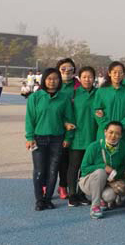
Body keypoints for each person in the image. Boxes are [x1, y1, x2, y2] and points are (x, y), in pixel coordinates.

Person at [25, 68, 75, 210]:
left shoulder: (64, 98)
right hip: (38, 139)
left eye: (55, 79)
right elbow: (30, 119)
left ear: (59, 81)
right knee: (39, 170)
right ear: (44, 80)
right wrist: (29, 137)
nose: (52, 81)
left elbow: (69, 119)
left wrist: (68, 138)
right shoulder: (35, 97)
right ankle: (39, 199)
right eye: (49, 79)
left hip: (57, 139)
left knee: (53, 171)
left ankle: (48, 199)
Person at [79, 121, 125, 219]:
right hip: (88, 181)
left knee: (110, 196)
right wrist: (103, 166)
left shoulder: (124, 147)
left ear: (121, 135)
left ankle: (103, 200)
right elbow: (84, 168)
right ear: (105, 132)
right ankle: (95, 206)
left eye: (117, 133)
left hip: (108, 182)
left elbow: (123, 167)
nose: (113, 136)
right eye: (111, 132)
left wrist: (115, 175)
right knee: (100, 172)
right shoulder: (94, 147)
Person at [66, 66, 98, 206]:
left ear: (94, 78)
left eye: (90, 77)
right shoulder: (74, 95)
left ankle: (82, 193)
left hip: (94, 136)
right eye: (84, 77)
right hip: (77, 137)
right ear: (79, 78)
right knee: (74, 167)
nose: (87, 79)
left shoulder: (99, 93)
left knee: (87, 168)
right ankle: (72, 194)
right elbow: (67, 115)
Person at [93, 61, 125, 147]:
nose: (117, 75)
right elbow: (97, 111)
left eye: (120, 72)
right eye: (114, 72)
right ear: (109, 73)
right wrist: (109, 128)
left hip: (124, 134)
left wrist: (120, 127)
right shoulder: (101, 91)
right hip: (105, 133)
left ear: (123, 74)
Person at [55, 58, 79, 199]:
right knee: (60, 159)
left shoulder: (79, 87)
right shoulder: (53, 85)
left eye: (70, 69)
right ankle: (61, 185)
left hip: (76, 127)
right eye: (63, 69)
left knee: (72, 160)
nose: (66, 72)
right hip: (58, 127)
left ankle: (70, 186)